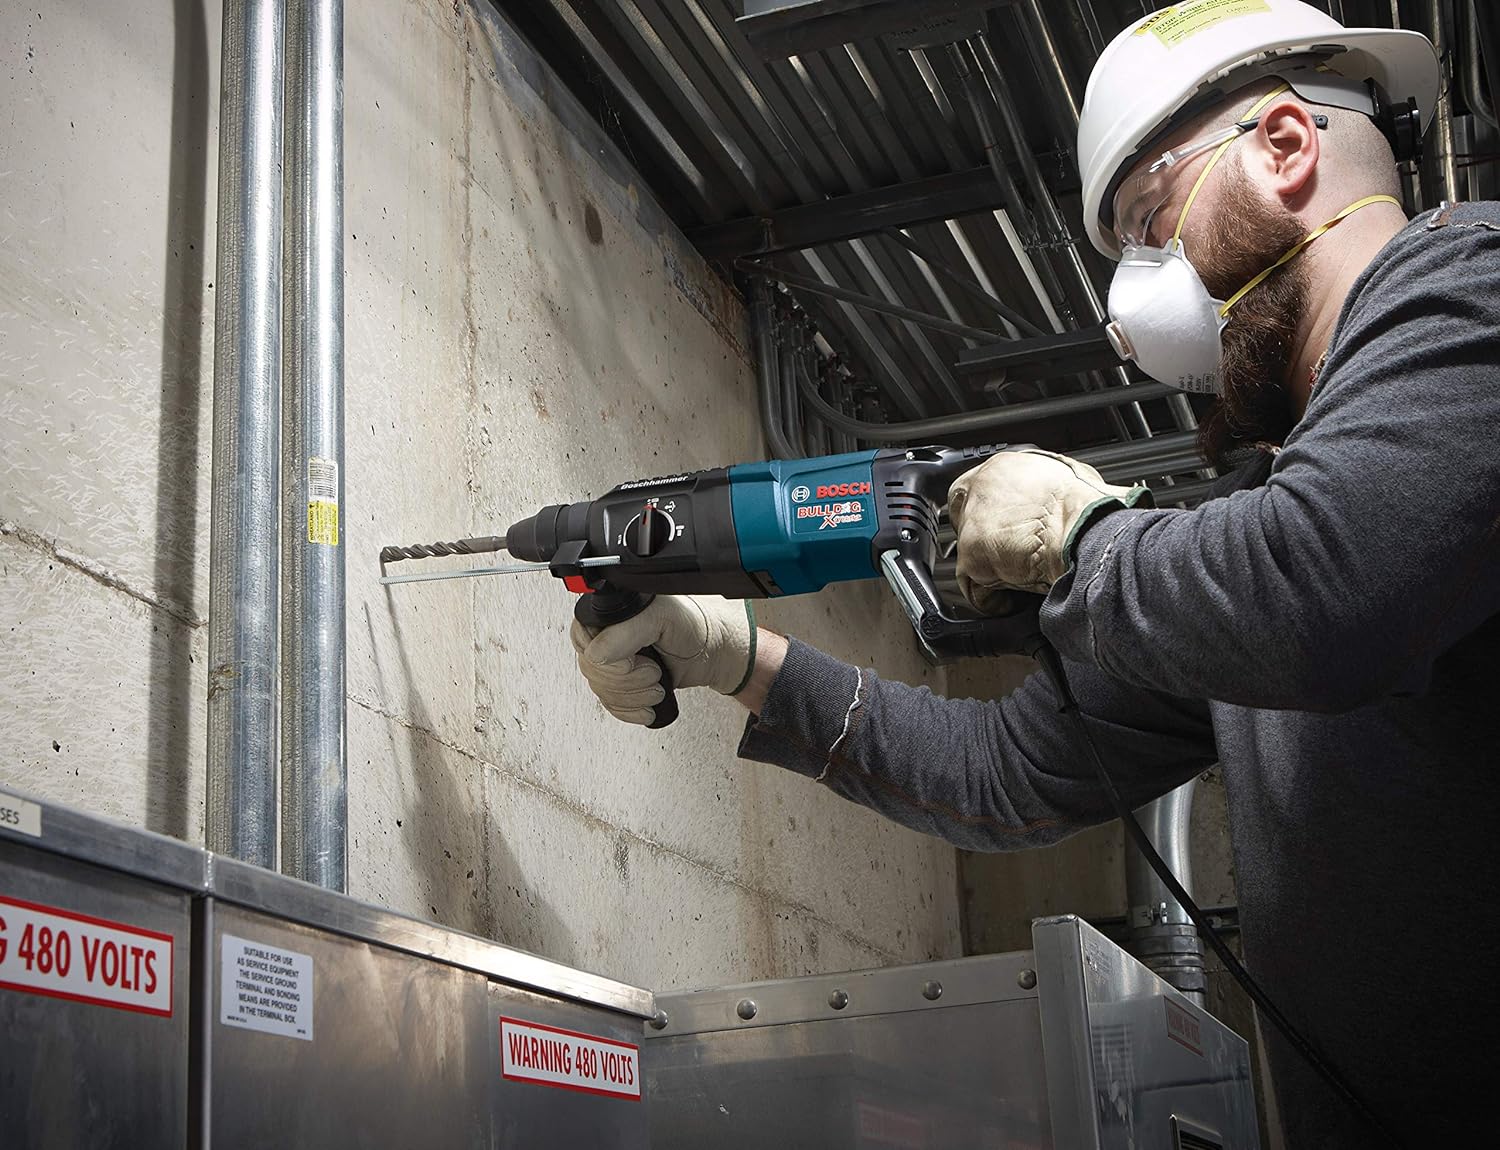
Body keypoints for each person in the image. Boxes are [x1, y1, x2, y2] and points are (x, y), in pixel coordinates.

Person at [570, 2, 1498, 1144]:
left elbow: (1328, 592)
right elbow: (1002, 772)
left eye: (1152, 219)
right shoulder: (1257, 556)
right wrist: (734, 657)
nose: (1131, 307)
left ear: (1286, 146)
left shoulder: (1472, 287)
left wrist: (1081, 538)